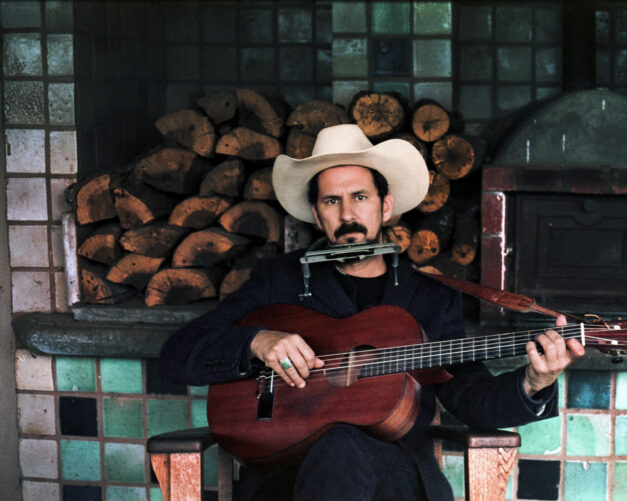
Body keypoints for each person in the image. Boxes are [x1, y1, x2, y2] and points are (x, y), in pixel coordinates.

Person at [159, 124, 585, 501]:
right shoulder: (278, 281)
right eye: (332, 201)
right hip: (284, 476)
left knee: (343, 445)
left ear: (385, 206)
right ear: (315, 213)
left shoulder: (430, 297)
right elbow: (177, 355)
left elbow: (469, 398)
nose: (347, 215)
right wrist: (257, 341)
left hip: (394, 478)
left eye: (360, 197)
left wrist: (535, 381)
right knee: (336, 447)